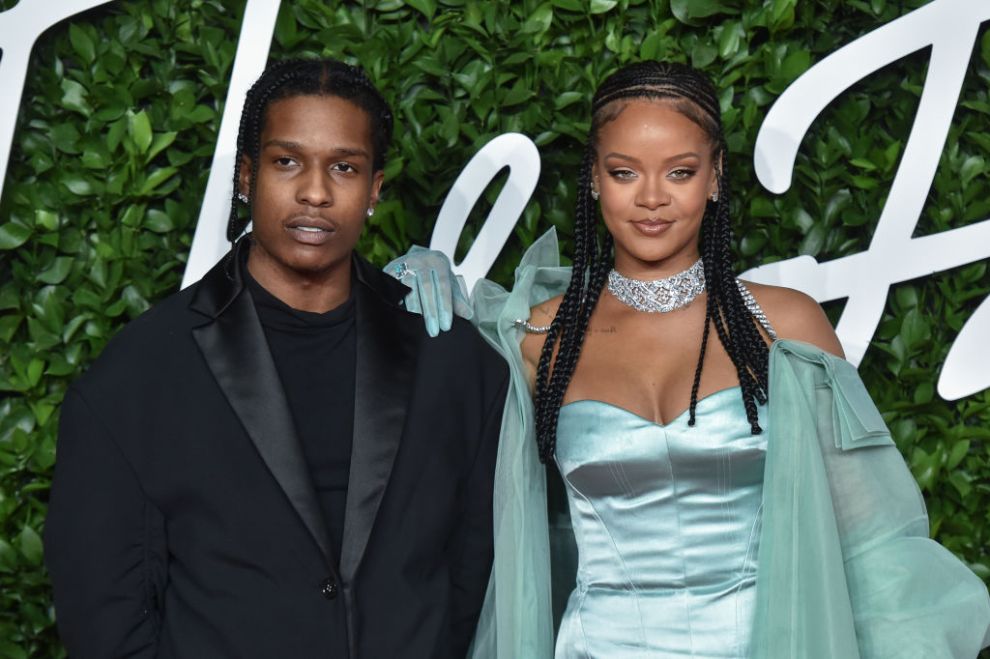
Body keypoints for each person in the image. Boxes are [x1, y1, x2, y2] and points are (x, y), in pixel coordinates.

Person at [395, 61, 990, 657]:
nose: (652, 199)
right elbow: (431, 488)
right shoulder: (536, 336)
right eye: (624, 172)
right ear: (595, 180)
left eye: (680, 172)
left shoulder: (785, 327)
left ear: (715, 176)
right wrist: (400, 298)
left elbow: (871, 544)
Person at [44, 58, 508, 658]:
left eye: (344, 167)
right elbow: (104, 613)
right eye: (287, 161)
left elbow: (471, 577)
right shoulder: (140, 374)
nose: (315, 192)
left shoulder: (451, 361)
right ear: (245, 177)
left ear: (374, 190)